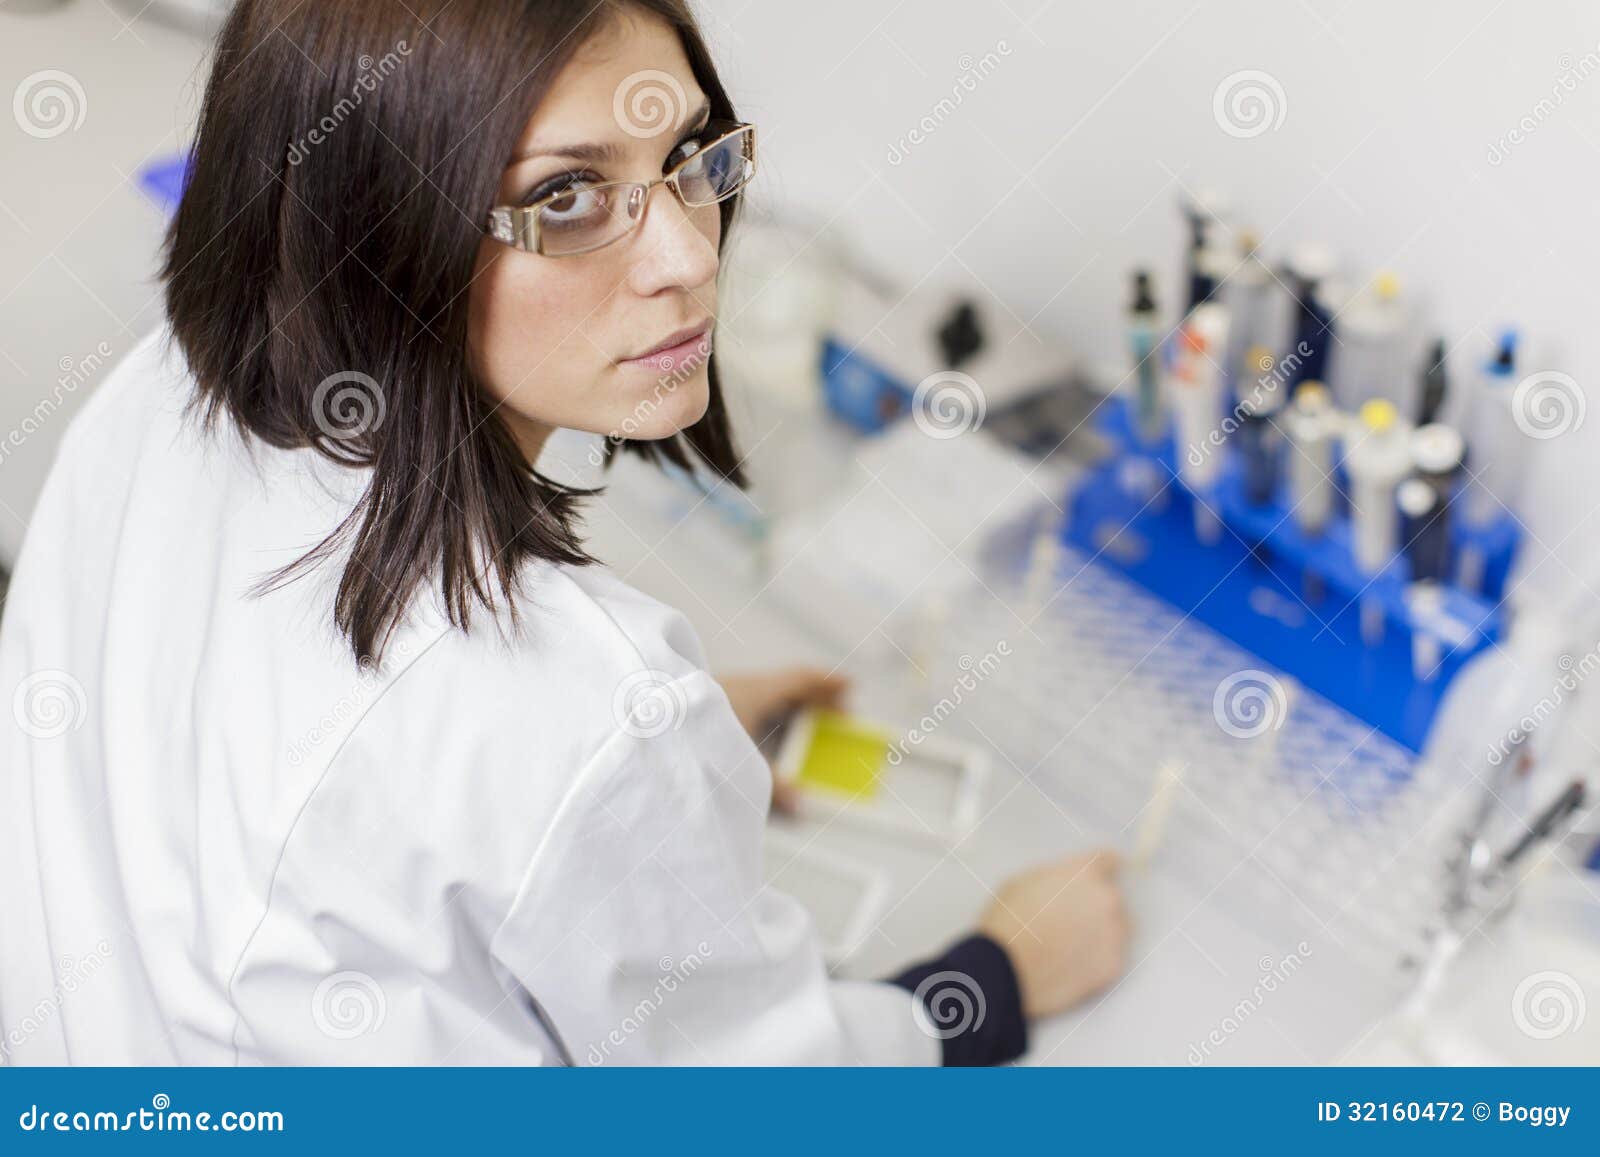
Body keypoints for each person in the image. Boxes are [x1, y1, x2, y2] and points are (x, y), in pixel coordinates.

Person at [0, 0, 1127, 1066]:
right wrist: (998, 979)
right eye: (570, 200)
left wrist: (618, 788)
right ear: (375, 227)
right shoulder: (563, 707)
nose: (689, 254)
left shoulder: (162, 385)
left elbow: (301, 737)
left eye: (691, 158)